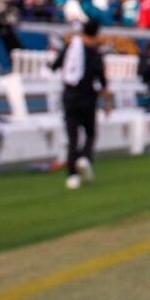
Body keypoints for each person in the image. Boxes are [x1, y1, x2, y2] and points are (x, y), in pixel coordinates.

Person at [53, 18, 107, 189]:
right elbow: (102, 80)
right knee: (90, 133)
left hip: (69, 97)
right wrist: (107, 102)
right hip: (87, 98)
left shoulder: (70, 47)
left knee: (72, 137)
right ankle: (84, 157)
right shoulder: (94, 53)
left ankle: (72, 175)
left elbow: (55, 66)